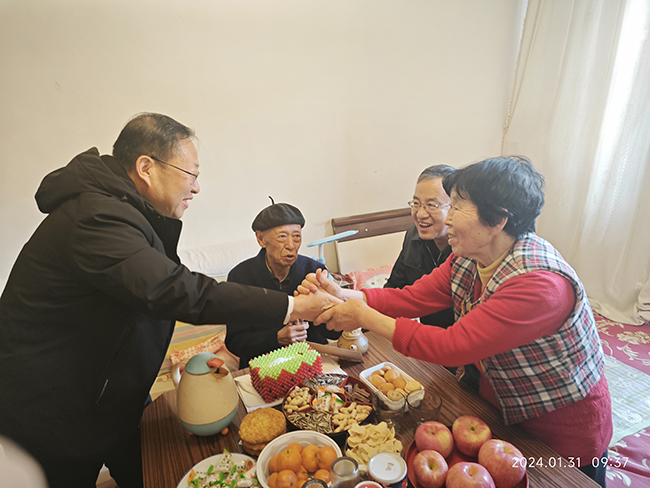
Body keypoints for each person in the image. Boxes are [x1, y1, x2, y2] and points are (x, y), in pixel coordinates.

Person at [0, 113, 338, 488]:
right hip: (56, 409)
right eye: (191, 174)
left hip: (114, 393)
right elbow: (173, 290)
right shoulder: (95, 217)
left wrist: (197, 373)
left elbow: (145, 303)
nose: (196, 187)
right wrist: (292, 307)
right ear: (146, 167)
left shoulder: (125, 213)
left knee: (154, 473)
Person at [300, 156, 612, 487]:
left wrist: (363, 317)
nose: (446, 218)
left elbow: (452, 346)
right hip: (500, 406)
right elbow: (412, 297)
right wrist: (346, 295)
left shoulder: (539, 285)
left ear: (497, 220)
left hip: (559, 430)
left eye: (458, 207)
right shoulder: (468, 256)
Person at [226, 200, 342, 368]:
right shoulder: (241, 277)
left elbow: (334, 333)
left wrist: (328, 308)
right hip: (262, 366)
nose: (291, 246)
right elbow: (235, 342)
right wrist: (277, 338)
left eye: (296, 237)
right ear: (261, 239)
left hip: (312, 361)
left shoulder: (314, 271)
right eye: (282, 237)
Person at [385, 164, 456, 327]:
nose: (420, 214)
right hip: (426, 334)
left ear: (454, 207)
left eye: (431, 205)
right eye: (416, 203)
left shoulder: (469, 249)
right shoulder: (413, 237)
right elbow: (395, 290)